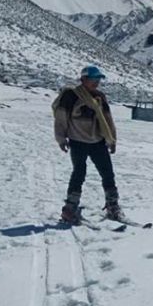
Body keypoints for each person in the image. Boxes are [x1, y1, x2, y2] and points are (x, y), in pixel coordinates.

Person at [53, 65, 123, 224]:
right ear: (83, 79)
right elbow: (61, 118)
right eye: (93, 79)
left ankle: (113, 206)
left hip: (98, 141)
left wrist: (112, 140)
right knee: (79, 173)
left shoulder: (99, 97)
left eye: (98, 79)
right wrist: (61, 139)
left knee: (108, 173)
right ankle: (70, 209)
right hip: (77, 141)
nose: (96, 83)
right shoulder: (71, 95)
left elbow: (107, 120)